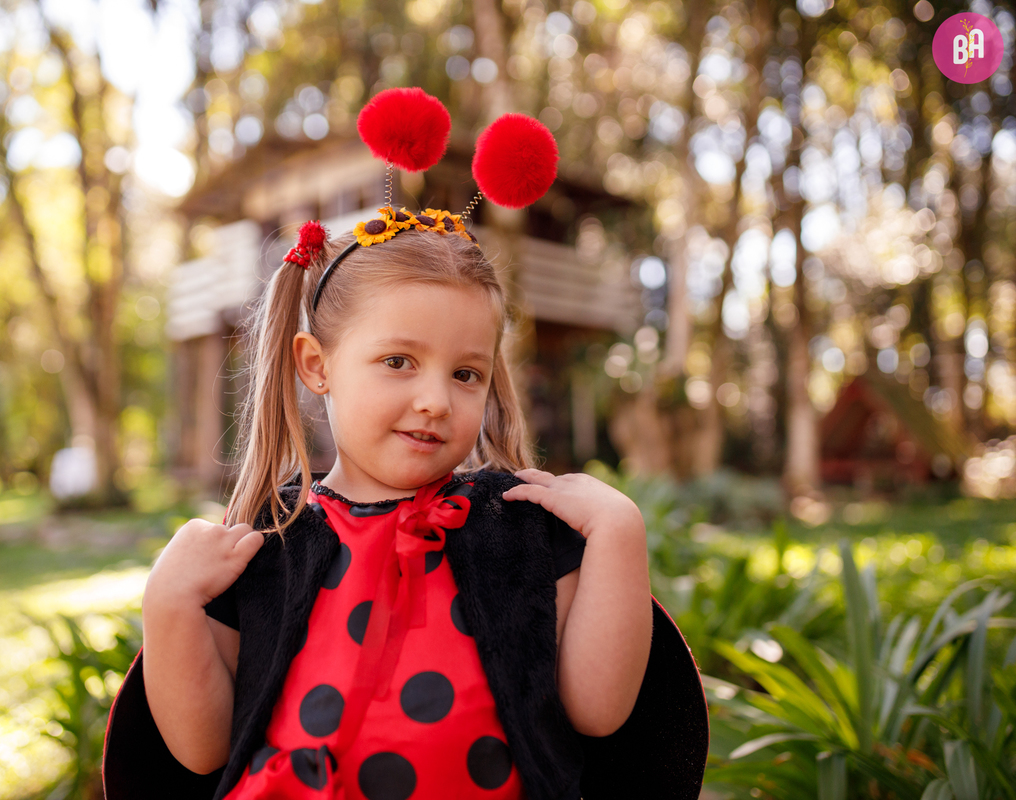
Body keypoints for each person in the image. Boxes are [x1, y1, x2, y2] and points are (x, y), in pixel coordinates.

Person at [102, 89, 708, 800]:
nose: (435, 398)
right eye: (398, 362)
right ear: (316, 365)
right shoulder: (270, 544)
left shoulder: (522, 531)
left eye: (466, 373)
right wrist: (169, 602)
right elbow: (203, 750)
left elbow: (598, 711)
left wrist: (618, 529)